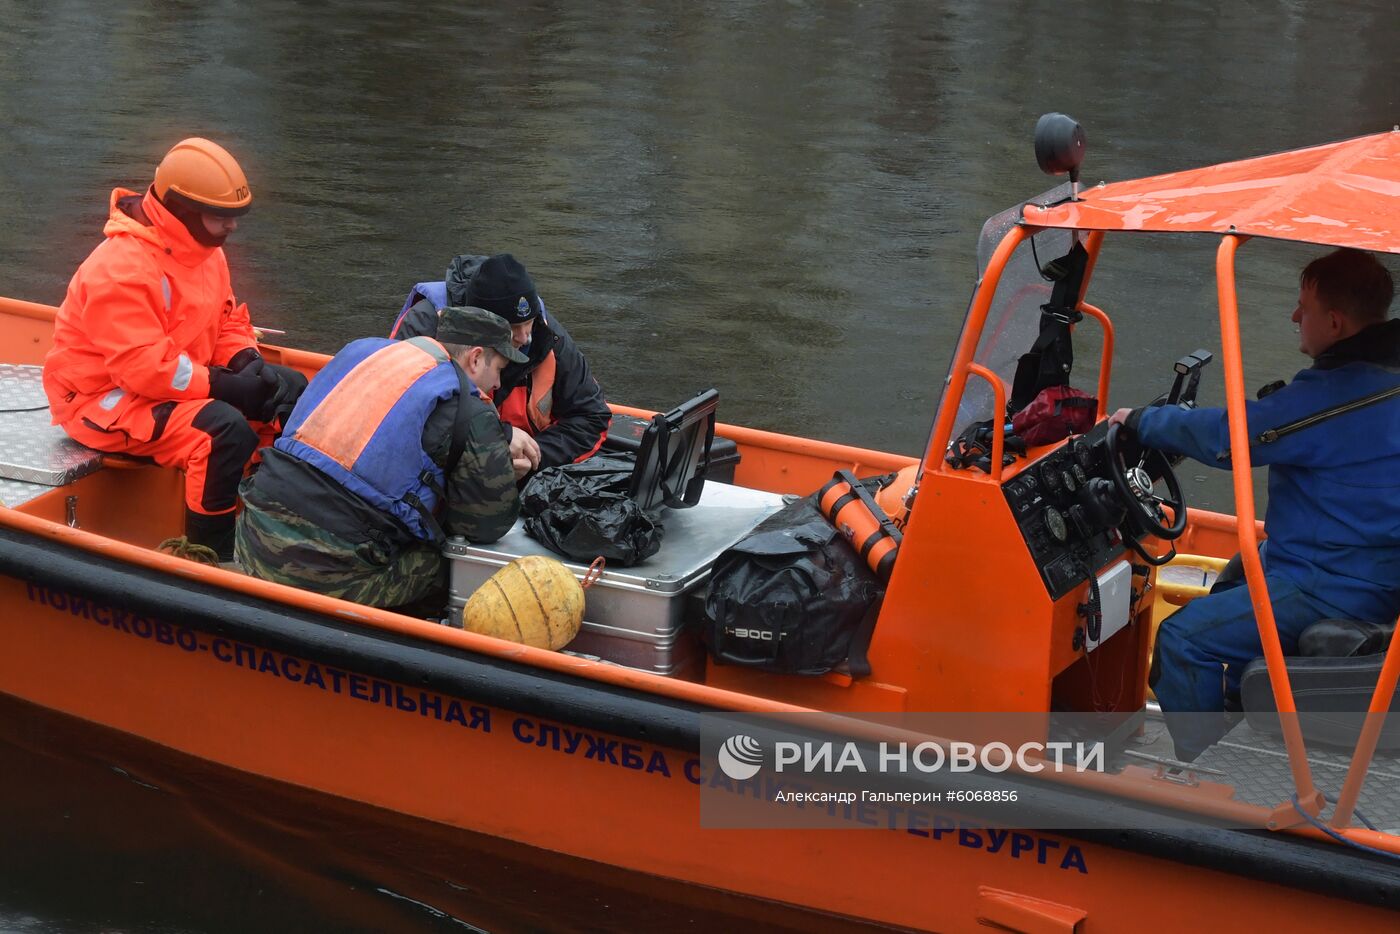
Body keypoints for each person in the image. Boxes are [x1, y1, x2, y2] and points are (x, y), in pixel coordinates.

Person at [1110, 248, 1400, 761]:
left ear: (1333, 323)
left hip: (1332, 583)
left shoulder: (1339, 394)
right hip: (1367, 561)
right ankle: (1238, 707)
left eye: (1302, 308)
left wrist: (1139, 421)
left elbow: (1234, 437)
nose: (1293, 317)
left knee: (1182, 644)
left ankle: (1207, 772)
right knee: (1243, 566)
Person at [43, 137, 306, 560]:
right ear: (185, 210)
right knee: (219, 430)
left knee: (289, 390)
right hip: (99, 399)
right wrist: (224, 386)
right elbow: (143, 369)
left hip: (166, 383)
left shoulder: (204, 253)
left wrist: (246, 361)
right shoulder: (121, 269)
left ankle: (275, 529)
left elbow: (225, 321)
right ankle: (209, 558)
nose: (232, 226)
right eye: (222, 217)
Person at [235, 307, 539, 614]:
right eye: (499, 369)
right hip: (324, 571)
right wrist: (501, 475)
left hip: (252, 536)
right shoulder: (470, 409)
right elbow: (487, 524)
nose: (499, 383)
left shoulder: (364, 352)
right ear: (475, 358)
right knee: (448, 567)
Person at [390, 253, 610, 471]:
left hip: (514, 466)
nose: (525, 338)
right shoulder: (423, 328)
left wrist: (533, 457)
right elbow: (403, 412)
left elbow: (592, 417)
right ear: (482, 324)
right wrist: (497, 439)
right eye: (513, 328)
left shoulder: (546, 334)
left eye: (529, 323)